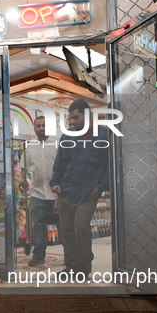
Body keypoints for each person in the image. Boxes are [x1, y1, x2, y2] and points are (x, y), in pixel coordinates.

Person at [50, 99, 110, 276]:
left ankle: (84, 264)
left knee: (81, 229)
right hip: (66, 192)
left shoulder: (103, 133)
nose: (73, 122)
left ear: (88, 115)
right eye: (71, 119)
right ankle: (70, 265)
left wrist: (100, 188)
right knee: (67, 233)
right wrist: (55, 182)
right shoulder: (67, 135)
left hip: (88, 193)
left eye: (76, 117)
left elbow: (108, 164)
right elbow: (59, 161)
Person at [21, 115, 58, 266]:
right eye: (38, 126)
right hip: (37, 192)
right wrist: (25, 181)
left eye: (44, 125)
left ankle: (71, 256)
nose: (41, 128)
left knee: (64, 224)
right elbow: (25, 167)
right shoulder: (30, 146)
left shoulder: (57, 143)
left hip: (57, 193)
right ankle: (38, 256)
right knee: (39, 225)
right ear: (34, 128)